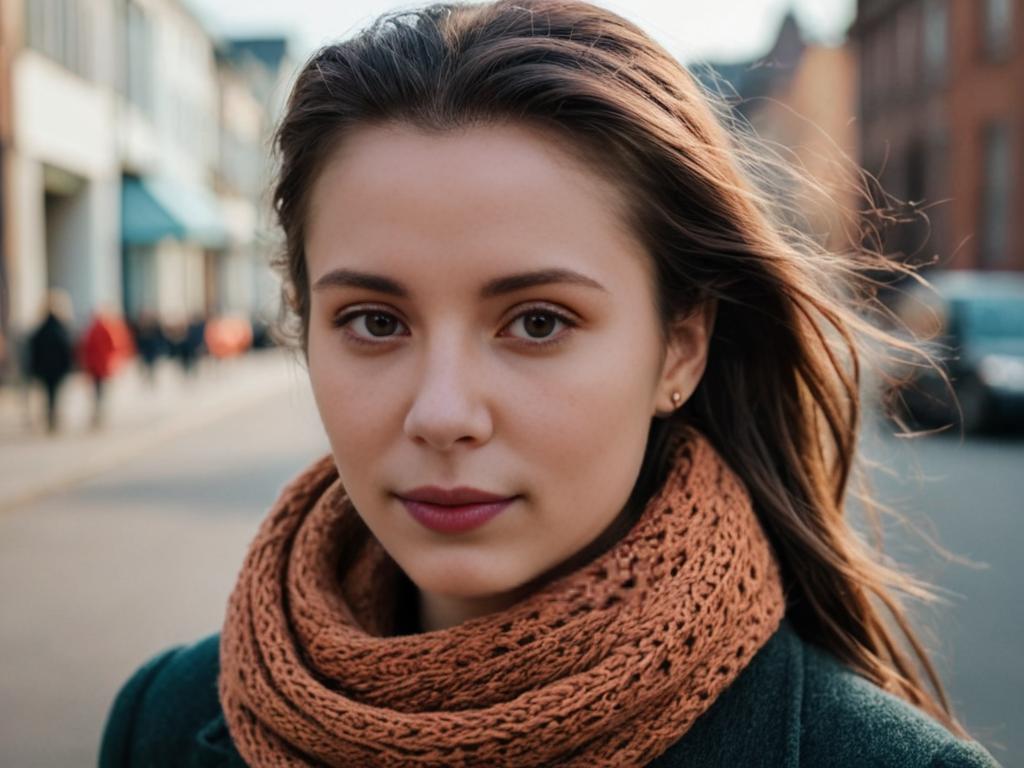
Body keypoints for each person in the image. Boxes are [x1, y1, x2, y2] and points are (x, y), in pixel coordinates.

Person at [98, 2, 1002, 766]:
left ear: (680, 348)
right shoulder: (162, 725)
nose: (443, 413)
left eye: (538, 322)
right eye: (375, 322)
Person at [26, 290, 75, 433]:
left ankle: (50, 415)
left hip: (44, 368)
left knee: (49, 393)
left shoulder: (41, 328)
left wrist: (33, 368)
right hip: (57, 368)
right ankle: (53, 415)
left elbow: (34, 349)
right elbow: (66, 349)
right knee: (55, 393)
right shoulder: (61, 328)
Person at [78, 308, 134, 428]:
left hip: (96, 365)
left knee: (97, 389)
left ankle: (98, 410)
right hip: (101, 365)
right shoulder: (105, 328)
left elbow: (85, 348)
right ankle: (99, 410)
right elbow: (114, 346)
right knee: (100, 389)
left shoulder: (92, 330)